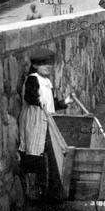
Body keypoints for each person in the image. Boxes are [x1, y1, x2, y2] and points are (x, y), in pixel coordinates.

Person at [18, 48, 70, 199]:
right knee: (34, 153)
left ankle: (48, 190)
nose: (48, 66)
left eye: (49, 64)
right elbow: (29, 96)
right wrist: (38, 100)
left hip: (46, 121)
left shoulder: (47, 82)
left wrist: (64, 103)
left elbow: (52, 103)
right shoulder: (32, 79)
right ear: (35, 66)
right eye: (43, 64)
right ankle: (35, 190)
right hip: (34, 122)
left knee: (48, 153)